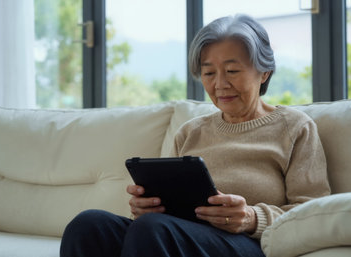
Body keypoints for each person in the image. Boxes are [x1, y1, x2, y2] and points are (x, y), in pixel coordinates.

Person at [60, 14, 331, 257]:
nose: (220, 84)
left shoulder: (295, 128)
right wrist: (148, 206)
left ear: (264, 72)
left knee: (152, 229)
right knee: (88, 225)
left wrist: (251, 217)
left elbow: (314, 213)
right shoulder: (191, 132)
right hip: (173, 234)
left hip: (247, 244)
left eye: (232, 71)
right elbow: (164, 209)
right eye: (209, 73)